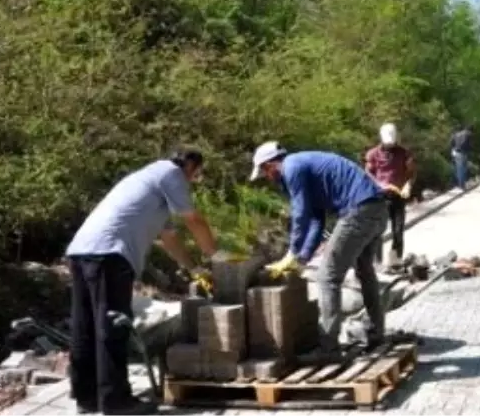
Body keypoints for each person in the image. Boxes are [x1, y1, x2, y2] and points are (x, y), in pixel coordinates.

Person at [65, 149, 220, 416]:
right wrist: (217, 257)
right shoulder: (171, 174)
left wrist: (194, 269)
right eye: (196, 175)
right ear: (190, 166)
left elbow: (169, 238)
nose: (193, 181)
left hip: (81, 251)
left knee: (85, 326)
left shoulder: (147, 181)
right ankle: (116, 403)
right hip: (109, 254)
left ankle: (87, 397)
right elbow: (193, 219)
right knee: (112, 327)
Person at [250, 141, 389, 359]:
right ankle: (376, 333)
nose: (268, 178)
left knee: (327, 277)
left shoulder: (292, 167)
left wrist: (292, 252)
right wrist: (303, 257)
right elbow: (316, 220)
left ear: (270, 165)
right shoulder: (304, 164)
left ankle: (328, 349)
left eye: (265, 172)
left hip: (359, 213)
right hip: (376, 209)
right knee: (364, 270)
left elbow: (300, 213)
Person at [365, 123, 417, 269]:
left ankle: (395, 260)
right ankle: (377, 263)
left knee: (398, 230)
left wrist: (408, 185)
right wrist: (378, 184)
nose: (390, 146)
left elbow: (412, 172)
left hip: (398, 196)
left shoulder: (404, 154)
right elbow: (368, 173)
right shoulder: (373, 154)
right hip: (380, 196)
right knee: (377, 231)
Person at [449, 124, 473, 190]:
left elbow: (451, 143)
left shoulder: (456, 134)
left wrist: (453, 150)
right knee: (462, 169)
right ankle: (462, 185)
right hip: (463, 153)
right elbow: (469, 144)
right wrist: (470, 152)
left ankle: (460, 184)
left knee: (459, 168)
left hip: (456, 152)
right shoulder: (468, 134)